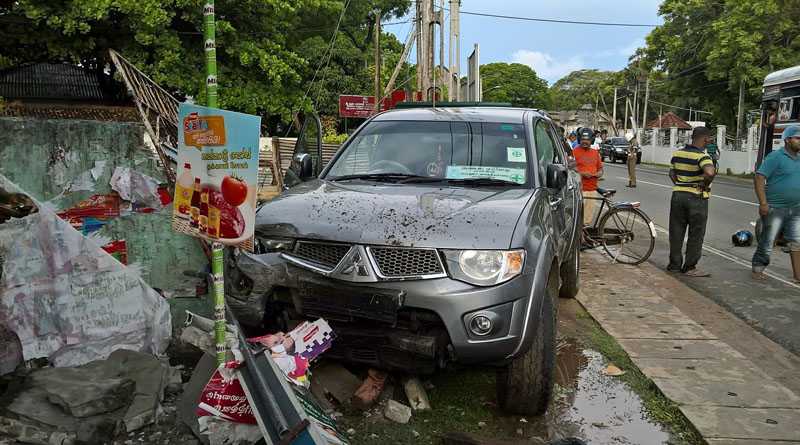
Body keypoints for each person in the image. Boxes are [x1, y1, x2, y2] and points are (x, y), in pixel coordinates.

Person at [751, 124, 800, 282]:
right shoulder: (775, 157)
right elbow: (759, 177)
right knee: (768, 240)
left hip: (796, 209)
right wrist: (763, 203)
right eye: (798, 138)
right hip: (775, 208)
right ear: (787, 140)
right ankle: (758, 269)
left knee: (796, 241)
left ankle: (798, 276)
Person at [667, 127, 716, 276]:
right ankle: (689, 267)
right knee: (696, 233)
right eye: (709, 139)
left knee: (676, 231)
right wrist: (705, 185)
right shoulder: (703, 157)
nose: (710, 141)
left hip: (678, 196)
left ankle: (674, 265)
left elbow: (671, 173)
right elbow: (709, 172)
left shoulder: (678, 153)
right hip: (697, 197)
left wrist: (681, 184)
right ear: (705, 139)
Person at [573, 127, 603, 225]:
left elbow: (601, 170)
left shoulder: (596, 153)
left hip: (592, 191)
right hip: (578, 191)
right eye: (582, 139)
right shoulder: (573, 153)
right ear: (579, 140)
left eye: (587, 140)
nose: (585, 142)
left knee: (587, 221)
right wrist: (582, 174)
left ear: (592, 140)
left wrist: (596, 174)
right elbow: (569, 170)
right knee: (576, 220)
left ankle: (584, 238)